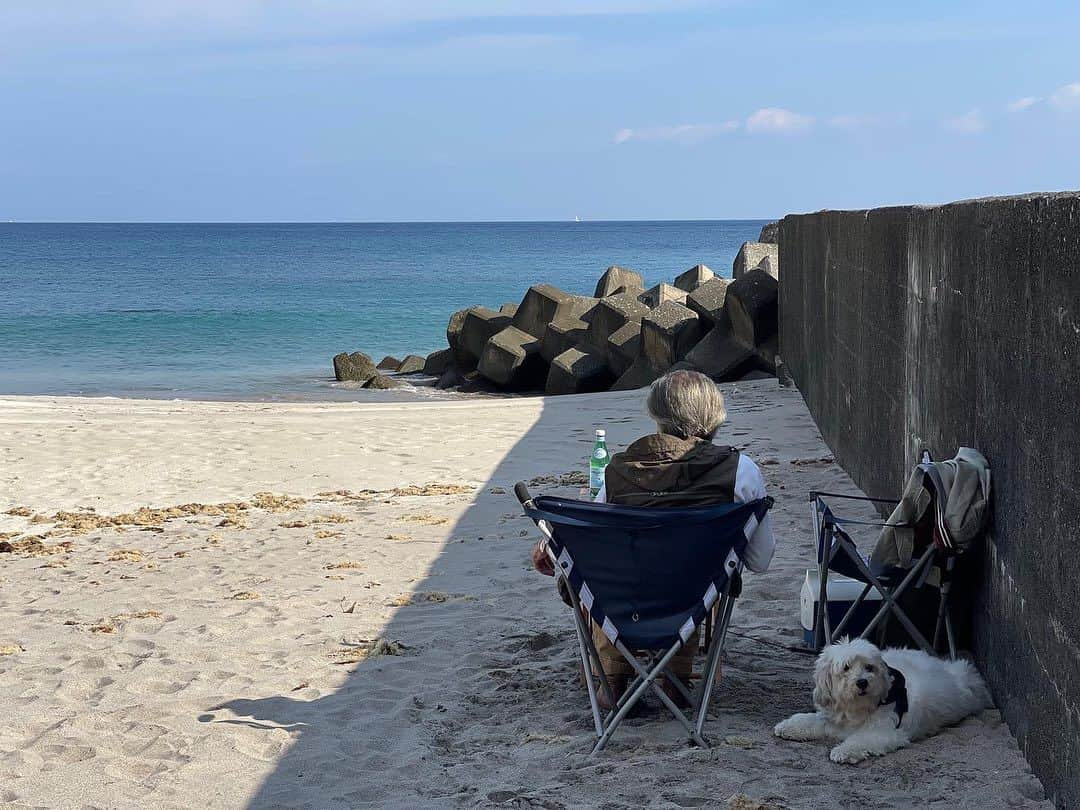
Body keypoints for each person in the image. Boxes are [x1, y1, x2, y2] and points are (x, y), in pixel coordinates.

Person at [531, 369, 776, 708]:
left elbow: (588, 537)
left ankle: (613, 679)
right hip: (694, 596)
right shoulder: (741, 471)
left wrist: (549, 544)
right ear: (715, 415)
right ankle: (676, 679)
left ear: (656, 415)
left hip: (624, 595)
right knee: (697, 573)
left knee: (603, 569)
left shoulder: (616, 471)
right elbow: (760, 561)